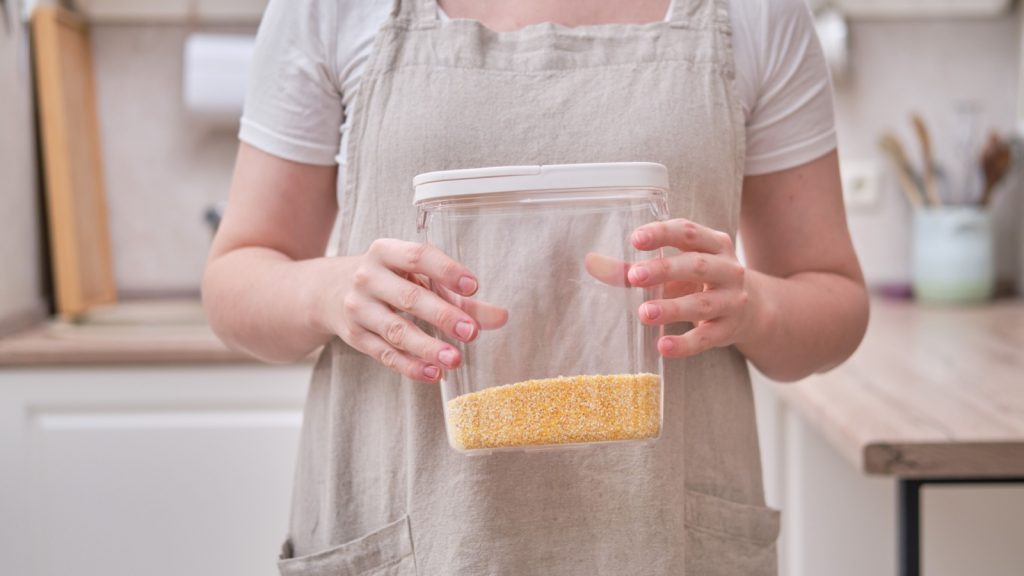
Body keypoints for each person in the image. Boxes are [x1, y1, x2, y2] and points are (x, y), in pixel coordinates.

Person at [202, 0, 869, 574]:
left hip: (660, 535)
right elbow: (235, 282)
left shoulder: (757, 14)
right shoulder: (329, 9)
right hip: (412, 531)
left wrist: (752, 306)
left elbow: (833, 299)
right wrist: (329, 289)